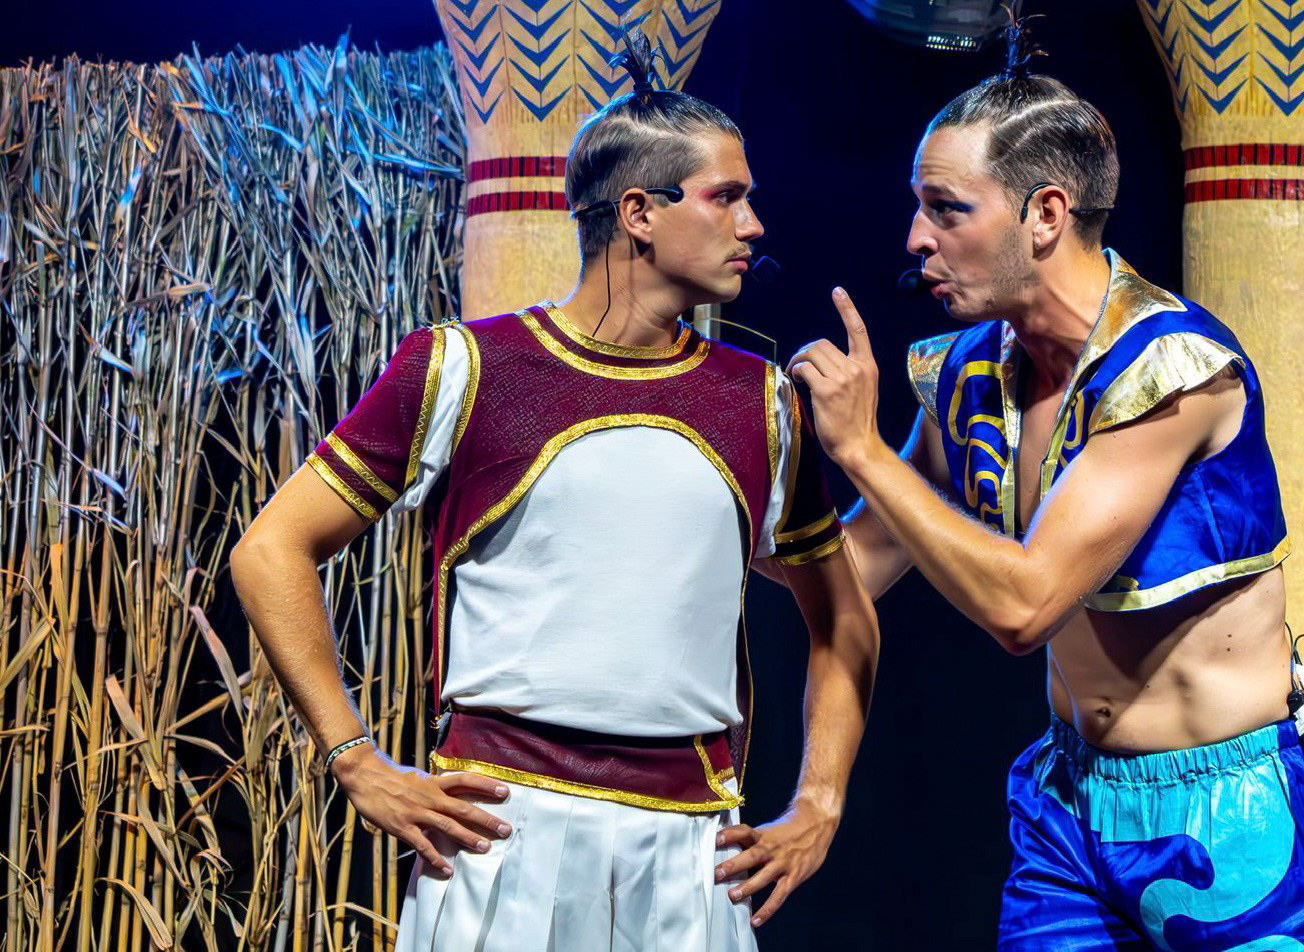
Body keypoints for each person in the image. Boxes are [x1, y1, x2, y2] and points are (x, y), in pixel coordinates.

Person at [230, 31, 878, 952]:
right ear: (639, 212)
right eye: (726, 197)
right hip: (500, 835)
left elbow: (845, 619)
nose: (753, 225)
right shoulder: (464, 368)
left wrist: (819, 804)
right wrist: (355, 760)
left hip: (692, 851)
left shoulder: (763, 402)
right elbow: (269, 550)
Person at [786, 41, 1304, 951]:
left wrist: (859, 449)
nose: (915, 238)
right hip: (1069, 803)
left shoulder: (1170, 369)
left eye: (946, 208)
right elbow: (853, 564)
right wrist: (712, 471)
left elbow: (1024, 608)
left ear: (1045, 214)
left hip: (1230, 811)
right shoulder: (972, 373)